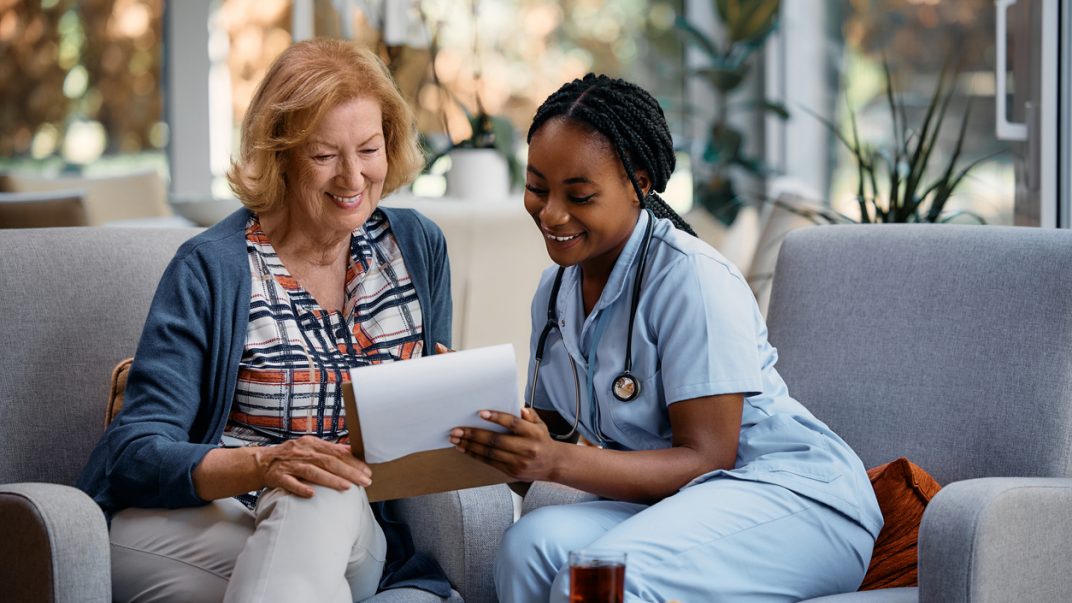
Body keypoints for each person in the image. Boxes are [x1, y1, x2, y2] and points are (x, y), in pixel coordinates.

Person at [449, 74, 883, 602]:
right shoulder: (555, 292)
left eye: (579, 195)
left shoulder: (691, 278)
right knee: (529, 547)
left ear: (640, 182)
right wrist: (486, 426)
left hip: (797, 502)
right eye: (537, 187)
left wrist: (552, 461)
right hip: (685, 505)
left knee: (599, 579)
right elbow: (552, 445)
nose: (551, 214)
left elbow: (708, 457)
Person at [77, 39, 456, 602]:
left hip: (355, 531)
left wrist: (456, 406)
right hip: (201, 524)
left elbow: (426, 446)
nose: (353, 178)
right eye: (325, 155)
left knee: (320, 490)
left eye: (369, 149)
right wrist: (264, 464)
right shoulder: (212, 267)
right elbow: (132, 452)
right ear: (279, 155)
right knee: (304, 504)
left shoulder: (415, 248)